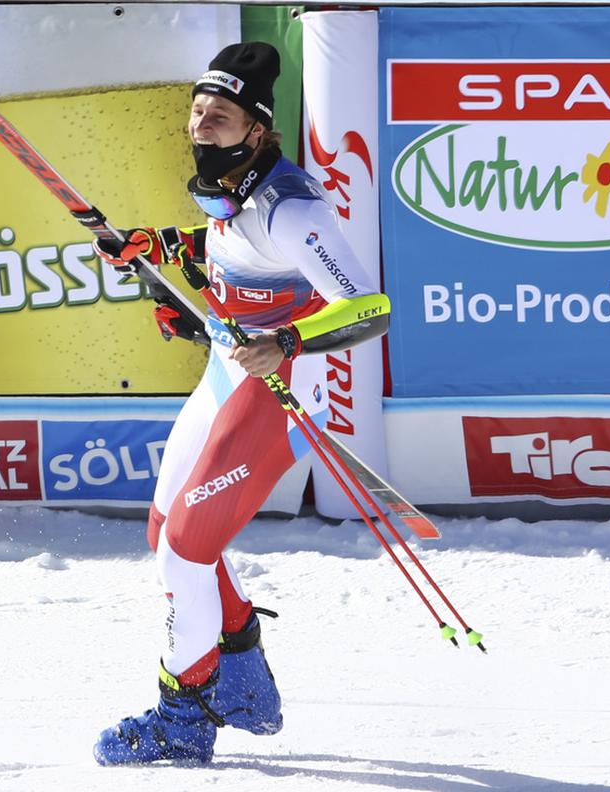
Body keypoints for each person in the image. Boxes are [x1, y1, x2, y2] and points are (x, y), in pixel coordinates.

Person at [90, 42, 391, 765]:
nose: (201, 126)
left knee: (188, 555)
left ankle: (182, 717)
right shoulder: (229, 184)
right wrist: (157, 245)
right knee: (164, 533)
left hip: (280, 392)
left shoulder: (290, 206)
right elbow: (230, 249)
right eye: (197, 111)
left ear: (257, 131)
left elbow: (370, 307)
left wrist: (286, 339)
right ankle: (244, 678)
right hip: (228, 373)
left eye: (219, 117)